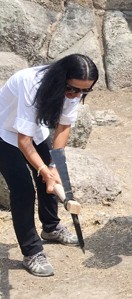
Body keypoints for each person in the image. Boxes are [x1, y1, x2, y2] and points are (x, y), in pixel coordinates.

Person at [0, 54, 99, 277]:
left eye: (84, 91)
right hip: (3, 132)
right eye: (72, 89)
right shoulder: (31, 83)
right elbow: (22, 141)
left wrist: (53, 165)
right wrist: (43, 170)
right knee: (23, 189)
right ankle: (32, 252)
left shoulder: (74, 89)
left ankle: (51, 228)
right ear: (60, 78)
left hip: (34, 132)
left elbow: (63, 127)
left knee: (51, 179)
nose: (76, 95)